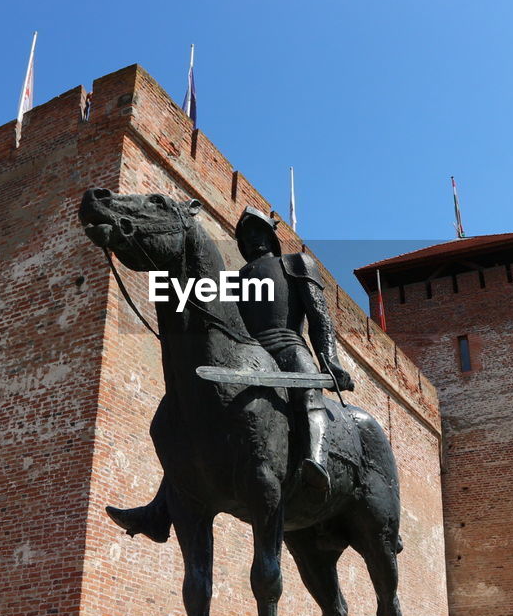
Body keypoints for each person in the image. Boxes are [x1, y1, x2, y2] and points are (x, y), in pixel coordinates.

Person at [106, 206, 354, 542]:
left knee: (308, 395)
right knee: (193, 419)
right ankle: (161, 506)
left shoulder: (296, 263)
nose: (250, 239)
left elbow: (320, 317)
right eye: (244, 235)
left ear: (270, 235)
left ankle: (316, 461)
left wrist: (330, 360)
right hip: (249, 356)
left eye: (257, 232)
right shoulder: (234, 280)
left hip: (288, 347)